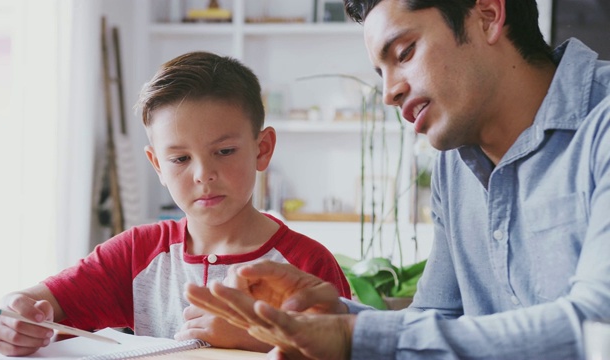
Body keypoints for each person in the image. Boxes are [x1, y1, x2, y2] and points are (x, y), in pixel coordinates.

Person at [185, 0, 610, 358]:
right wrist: (333, 317)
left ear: (487, 14)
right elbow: (435, 321)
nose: (389, 92)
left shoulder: (601, 125)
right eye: (380, 72)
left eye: (404, 52)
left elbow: (598, 328)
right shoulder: (454, 164)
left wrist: (353, 338)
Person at [0, 51, 351, 356]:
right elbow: (37, 303)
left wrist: (255, 336)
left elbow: (348, 349)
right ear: (157, 165)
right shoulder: (136, 252)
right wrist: (14, 315)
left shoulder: (307, 265)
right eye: (180, 159)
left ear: (263, 148)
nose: (203, 175)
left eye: (224, 151)